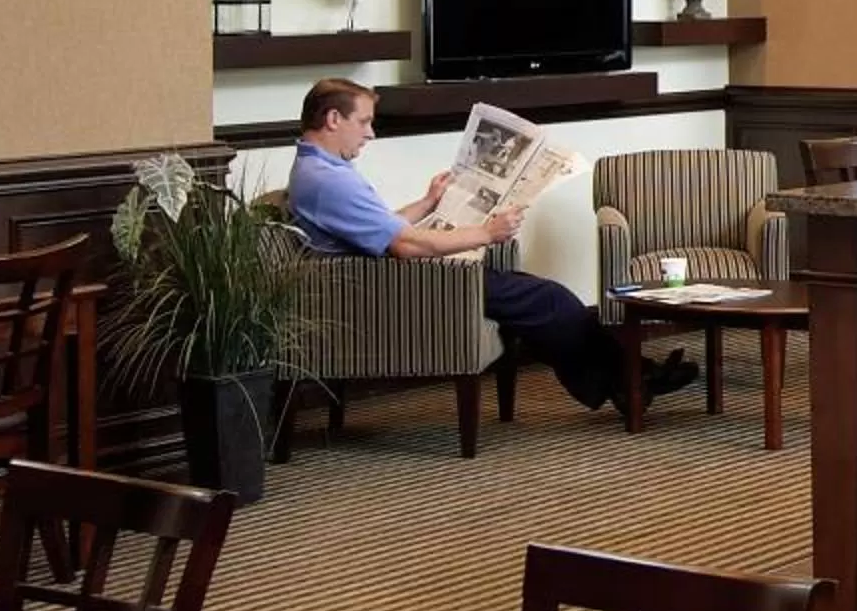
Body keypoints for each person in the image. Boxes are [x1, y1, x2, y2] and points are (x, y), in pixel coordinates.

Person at [285, 79, 695, 415]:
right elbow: (406, 246)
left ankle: (631, 380)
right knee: (550, 300)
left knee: (538, 298)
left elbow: (384, 226)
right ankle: (632, 381)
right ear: (334, 118)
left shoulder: (322, 170)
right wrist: (488, 233)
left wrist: (429, 202)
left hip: (388, 277)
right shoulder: (328, 179)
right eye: (364, 122)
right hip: (391, 286)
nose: (370, 133)